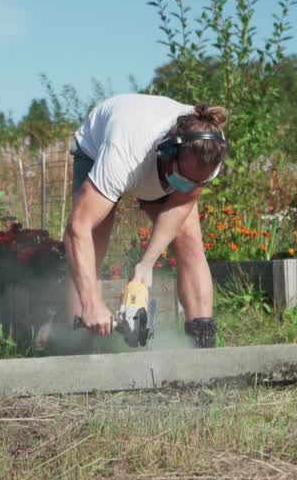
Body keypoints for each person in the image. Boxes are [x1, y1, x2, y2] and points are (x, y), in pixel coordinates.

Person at [64, 93, 228, 348]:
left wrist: (146, 264)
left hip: (158, 166)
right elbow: (78, 228)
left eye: (197, 182)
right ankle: (78, 342)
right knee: (94, 238)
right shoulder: (123, 156)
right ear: (168, 152)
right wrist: (92, 302)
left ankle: (201, 345)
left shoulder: (209, 150)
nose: (189, 187)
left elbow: (180, 205)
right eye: (185, 178)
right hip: (100, 147)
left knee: (189, 239)